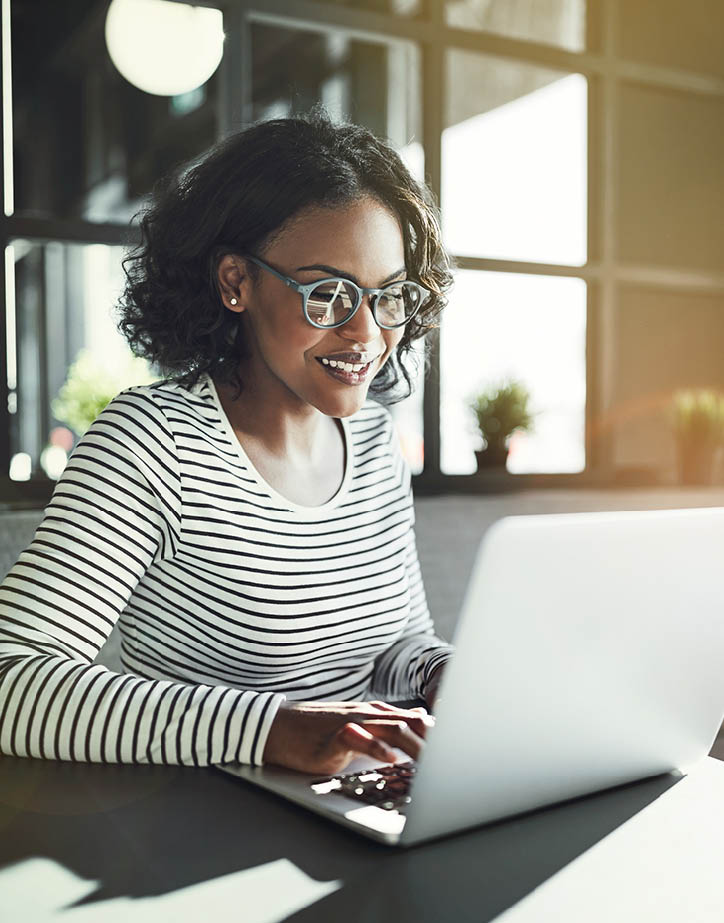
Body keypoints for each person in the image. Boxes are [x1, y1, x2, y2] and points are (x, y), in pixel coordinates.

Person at [0, 110, 455, 776]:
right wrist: (270, 730)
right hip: (192, 833)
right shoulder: (152, 443)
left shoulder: (376, 441)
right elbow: (12, 675)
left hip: (359, 806)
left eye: (388, 296)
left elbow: (392, 644)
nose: (366, 333)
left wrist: (443, 671)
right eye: (328, 294)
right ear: (236, 282)